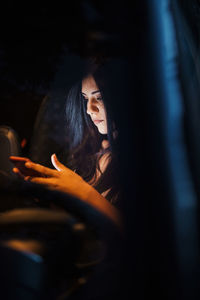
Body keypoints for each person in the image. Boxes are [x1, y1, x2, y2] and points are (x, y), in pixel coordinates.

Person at [11, 64, 122, 230]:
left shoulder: (148, 158)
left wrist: (83, 192)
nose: (89, 109)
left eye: (99, 98)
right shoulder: (93, 154)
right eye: (85, 99)